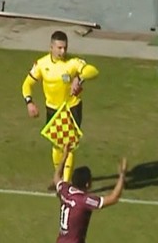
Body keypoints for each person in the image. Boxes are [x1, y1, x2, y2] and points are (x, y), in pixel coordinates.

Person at [21, 30, 100, 190]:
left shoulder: (73, 63)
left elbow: (93, 71)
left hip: (71, 108)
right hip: (53, 110)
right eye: (59, 48)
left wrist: (80, 78)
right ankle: (59, 177)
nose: (63, 51)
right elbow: (26, 84)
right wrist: (29, 102)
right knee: (56, 145)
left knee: (68, 145)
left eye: (65, 48)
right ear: (51, 47)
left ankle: (65, 181)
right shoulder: (42, 64)